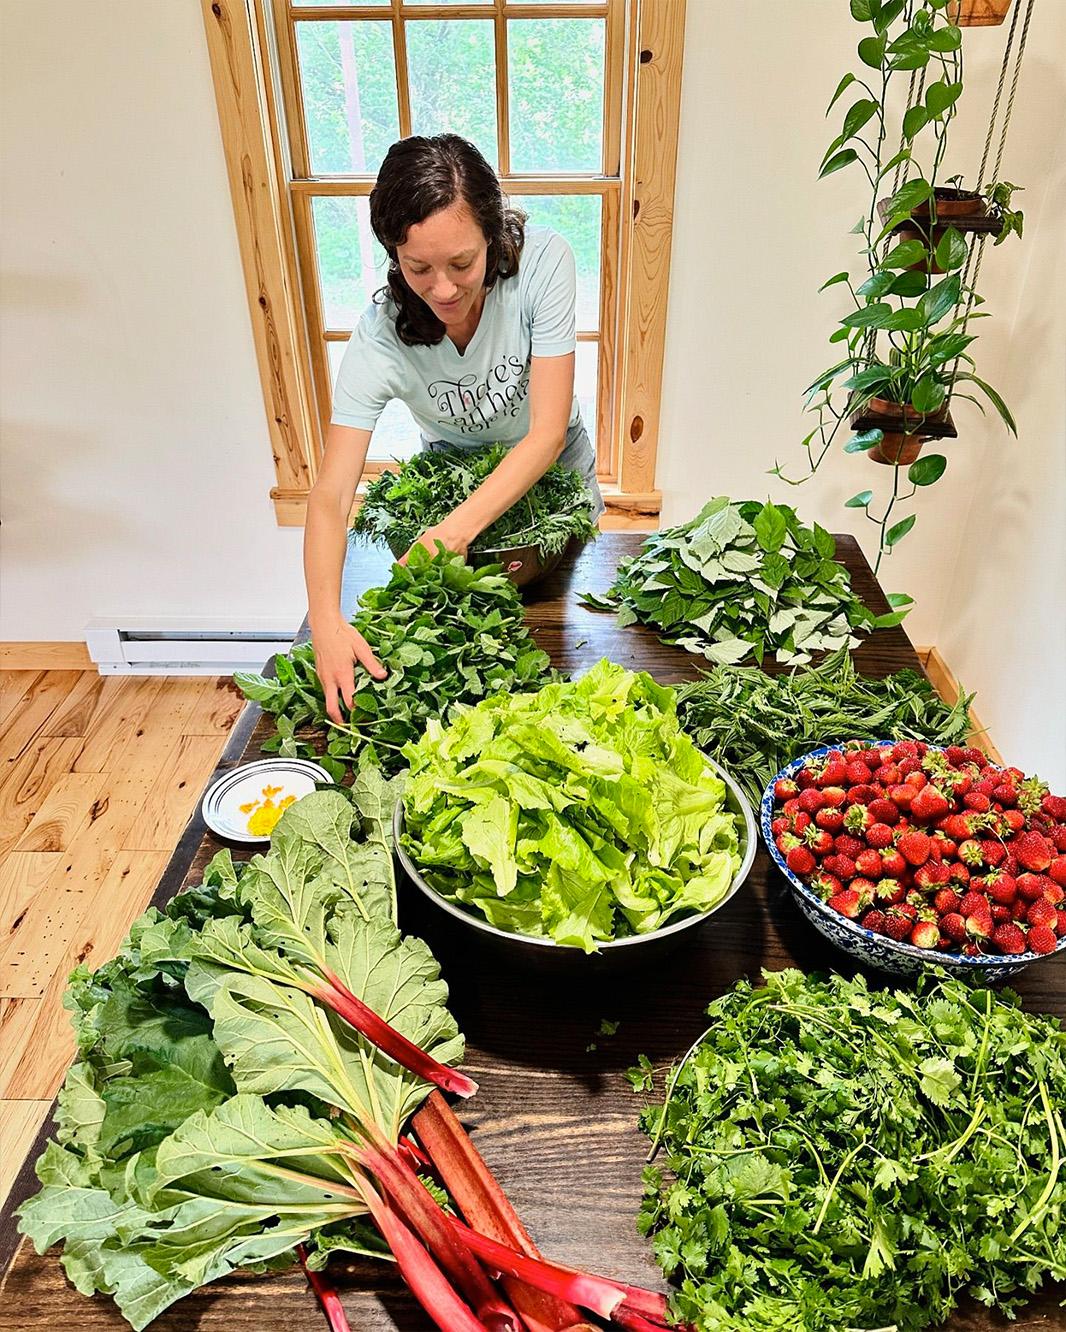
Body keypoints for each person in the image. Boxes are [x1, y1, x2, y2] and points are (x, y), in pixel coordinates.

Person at [304, 132, 602, 724]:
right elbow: (331, 493)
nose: (443, 289)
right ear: (394, 255)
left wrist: (450, 533)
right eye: (418, 267)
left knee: (570, 653)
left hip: (555, 482)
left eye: (462, 263)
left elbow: (544, 434)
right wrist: (326, 623)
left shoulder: (544, 266)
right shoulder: (381, 335)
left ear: (492, 235)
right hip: (457, 481)